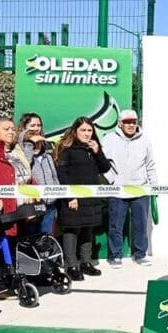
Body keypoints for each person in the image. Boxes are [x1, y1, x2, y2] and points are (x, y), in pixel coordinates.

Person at [54, 117, 111, 281]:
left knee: (88, 228)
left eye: (89, 130)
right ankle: (71, 265)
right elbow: (62, 174)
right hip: (73, 198)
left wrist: (97, 151)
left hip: (91, 197)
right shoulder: (66, 149)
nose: (87, 133)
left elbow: (105, 168)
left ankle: (86, 262)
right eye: (83, 130)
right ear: (75, 131)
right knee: (71, 230)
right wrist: (70, 197)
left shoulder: (92, 148)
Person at [102, 109, 157, 269]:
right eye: (127, 122)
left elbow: (150, 164)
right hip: (117, 190)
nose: (131, 125)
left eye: (133, 122)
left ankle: (140, 254)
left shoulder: (145, 140)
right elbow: (102, 163)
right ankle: (115, 256)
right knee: (116, 225)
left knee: (141, 225)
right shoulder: (109, 140)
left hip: (140, 189)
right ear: (120, 123)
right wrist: (112, 180)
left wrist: (153, 185)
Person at [17, 113, 61, 235]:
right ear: (24, 127)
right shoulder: (19, 149)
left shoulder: (46, 151)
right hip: (33, 204)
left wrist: (56, 192)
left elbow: (54, 175)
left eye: (39, 125)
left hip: (50, 204)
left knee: (47, 238)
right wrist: (30, 143)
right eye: (32, 125)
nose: (36, 128)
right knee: (31, 237)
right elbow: (25, 166)